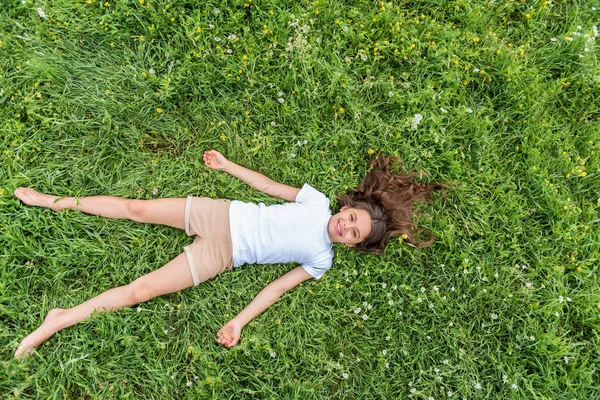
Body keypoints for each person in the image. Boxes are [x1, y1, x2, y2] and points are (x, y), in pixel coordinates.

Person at [13, 150, 446, 358]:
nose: (347, 227)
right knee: (136, 209)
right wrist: (226, 166)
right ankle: (51, 200)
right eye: (352, 218)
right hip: (219, 213)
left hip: (224, 256)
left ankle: (59, 319)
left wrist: (239, 320)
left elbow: (276, 289)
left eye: (354, 234)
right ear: (347, 207)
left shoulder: (321, 261)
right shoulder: (314, 201)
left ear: (353, 245)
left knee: (141, 291)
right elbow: (268, 186)